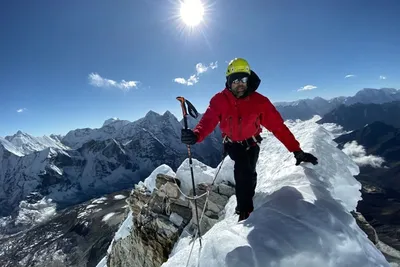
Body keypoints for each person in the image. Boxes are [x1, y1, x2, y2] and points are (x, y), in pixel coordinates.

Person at [181, 58, 318, 221]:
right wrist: (196, 135)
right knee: (243, 171)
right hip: (232, 145)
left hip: (252, 143)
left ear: (249, 79)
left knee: (250, 173)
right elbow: (208, 121)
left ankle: (248, 198)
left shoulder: (260, 102)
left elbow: (278, 127)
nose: (240, 84)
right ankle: (244, 211)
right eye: (235, 80)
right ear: (228, 82)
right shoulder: (219, 100)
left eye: (243, 79)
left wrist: (297, 151)